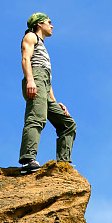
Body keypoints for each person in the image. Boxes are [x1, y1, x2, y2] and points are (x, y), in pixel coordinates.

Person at [18, 12, 76, 175]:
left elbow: (47, 80)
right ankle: (27, 160)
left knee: (68, 124)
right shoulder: (31, 37)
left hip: (44, 84)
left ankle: (63, 164)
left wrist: (55, 102)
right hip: (35, 79)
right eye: (48, 22)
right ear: (39, 24)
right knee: (36, 117)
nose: (52, 26)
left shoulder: (42, 45)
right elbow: (26, 59)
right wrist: (30, 80)